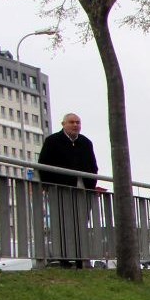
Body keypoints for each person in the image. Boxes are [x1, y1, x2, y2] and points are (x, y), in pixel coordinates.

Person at [37, 113, 99, 268]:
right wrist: (48, 185)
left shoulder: (86, 143)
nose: (75, 125)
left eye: (78, 122)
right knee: (61, 225)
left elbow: (93, 167)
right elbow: (43, 165)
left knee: (80, 225)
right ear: (63, 124)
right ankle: (64, 259)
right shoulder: (52, 141)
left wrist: (90, 187)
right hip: (59, 190)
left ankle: (80, 260)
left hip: (82, 192)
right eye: (71, 122)